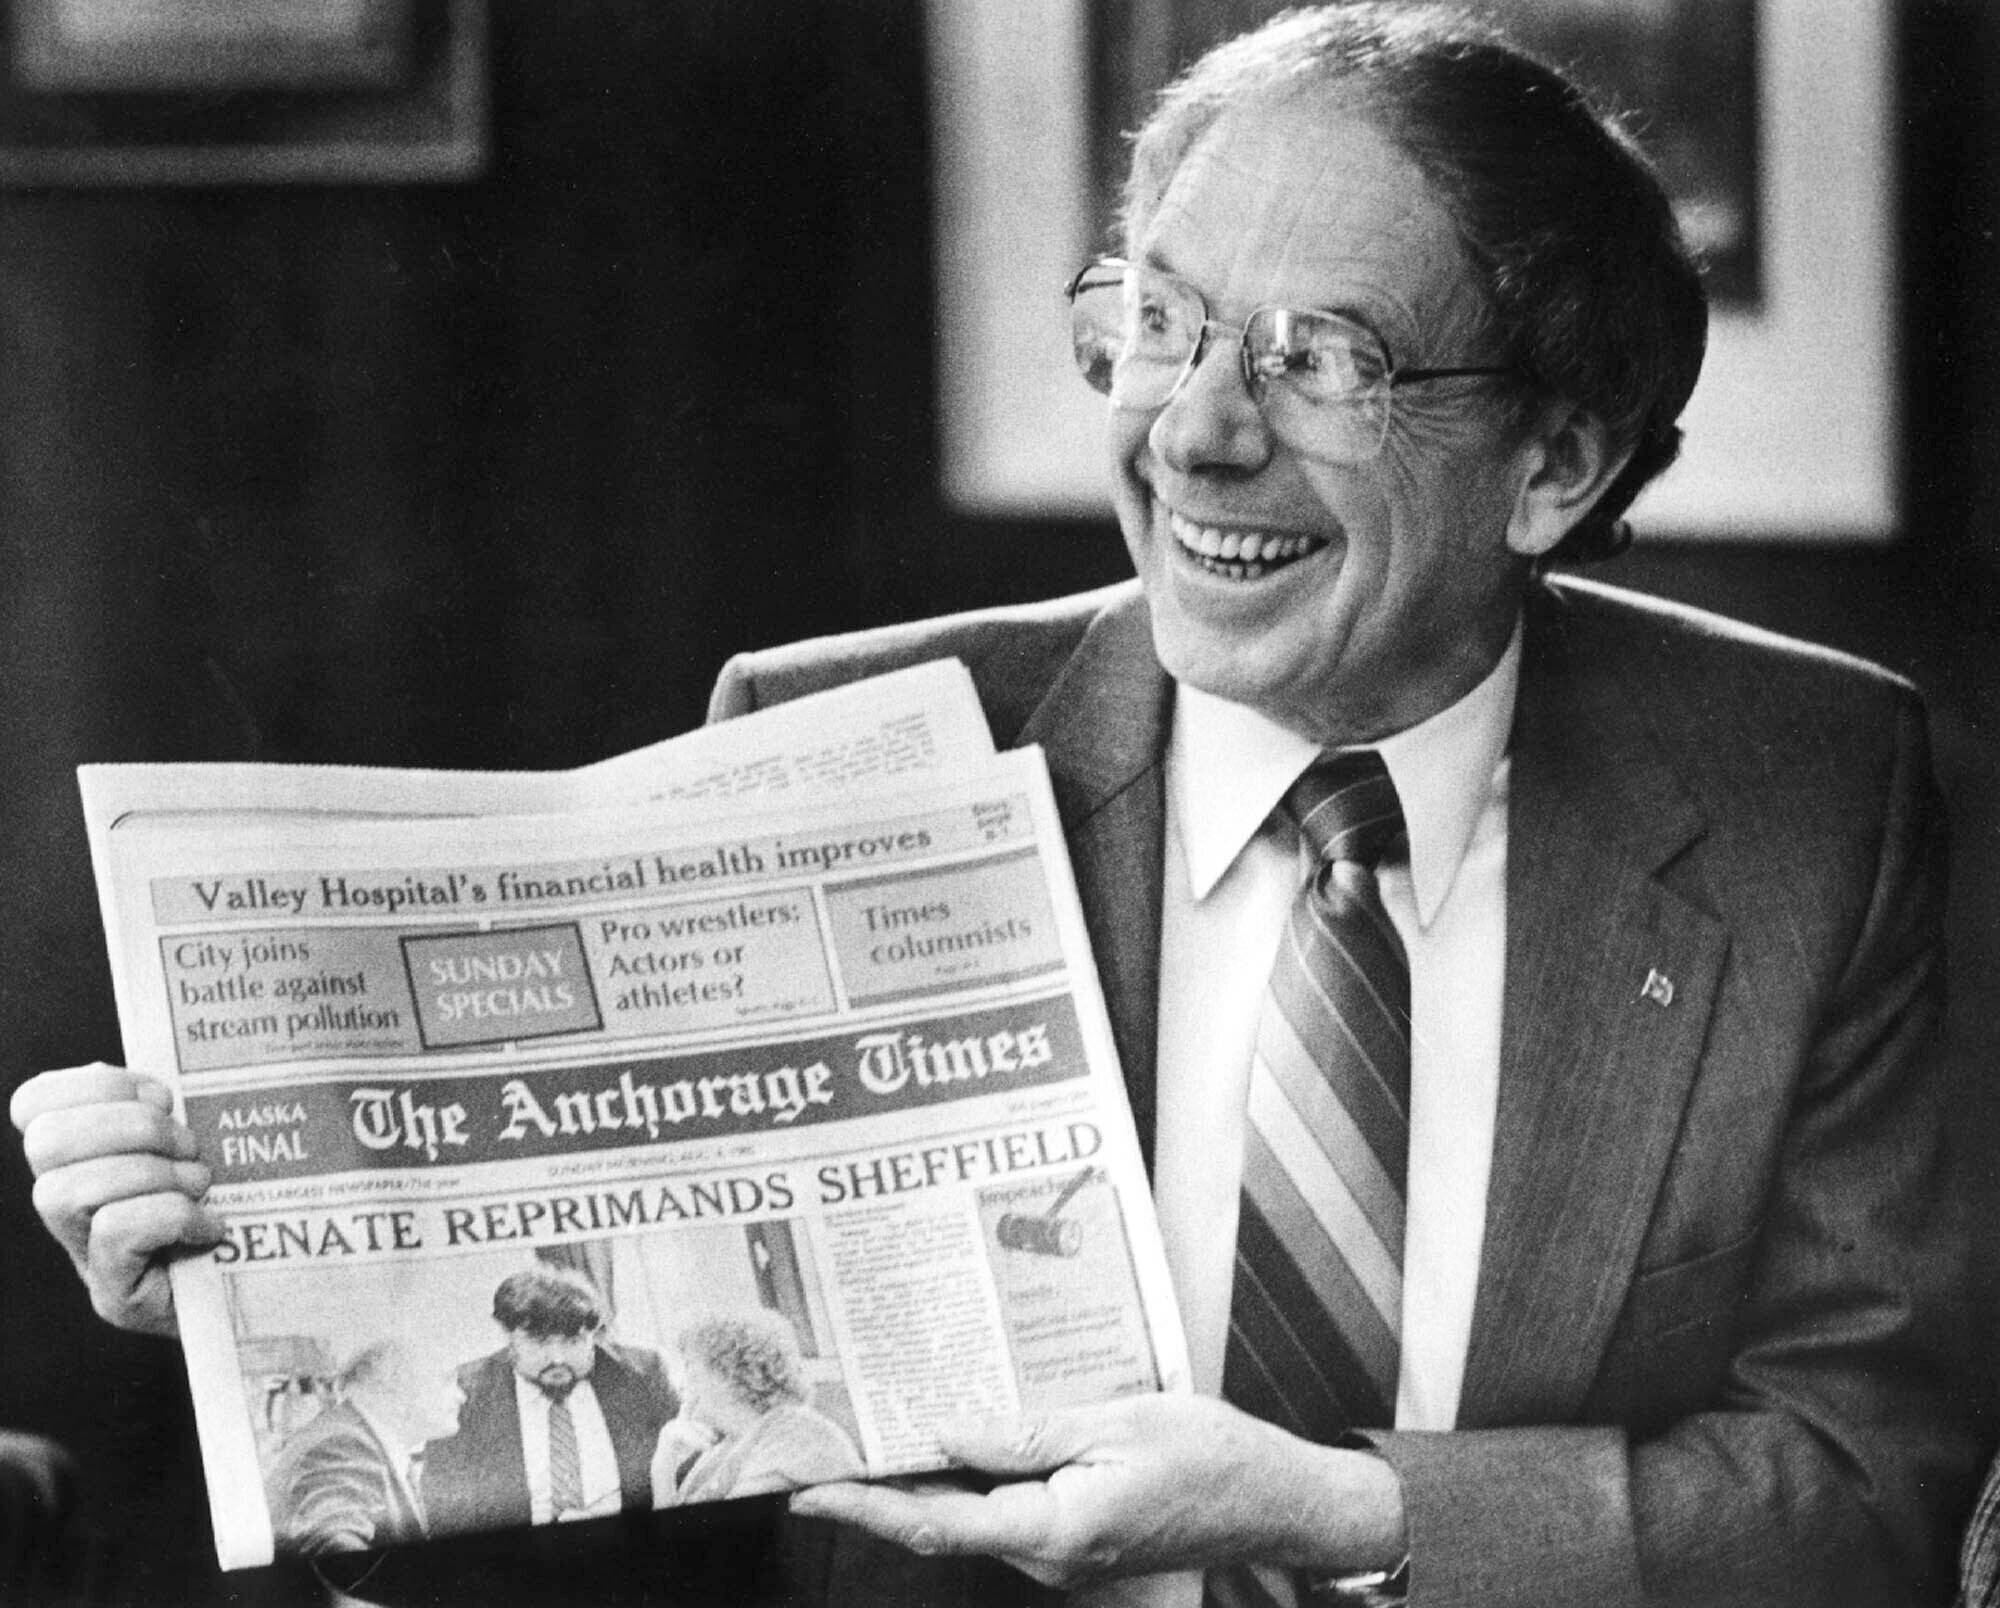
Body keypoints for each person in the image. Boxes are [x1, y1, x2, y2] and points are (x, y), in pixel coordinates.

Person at [6, 4, 1983, 1604]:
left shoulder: (1814, 792)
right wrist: (261, 1301)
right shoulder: (852, 737)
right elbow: (639, 1498)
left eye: (1322, 361)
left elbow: (1864, 1486)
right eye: (1161, 319)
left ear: (1553, 464)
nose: (1194, 429)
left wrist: (1345, 1514)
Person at [418, 1267, 679, 1539]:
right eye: (539, 1341)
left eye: (573, 1341)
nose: (557, 1358)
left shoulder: (643, 1375)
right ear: (508, 1336)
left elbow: (685, 1479)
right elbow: (444, 1510)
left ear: (594, 1334)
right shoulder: (466, 1393)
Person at [270, 1338, 462, 1559]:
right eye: (448, 1381)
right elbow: (333, 1541)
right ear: (397, 1389)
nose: (461, 1396)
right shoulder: (343, 1445)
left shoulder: (357, 1437)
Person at [653, 1310, 863, 1505]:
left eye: (689, 1366)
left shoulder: (796, 1436)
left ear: (729, 1371)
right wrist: (664, 1469)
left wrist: (661, 1472)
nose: (681, 1385)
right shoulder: (726, 1447)